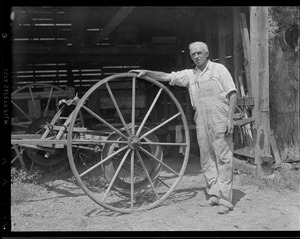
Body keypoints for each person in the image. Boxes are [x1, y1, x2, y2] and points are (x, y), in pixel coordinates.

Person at [130, 41, 238, 214]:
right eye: (193, 54)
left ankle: (225, 200)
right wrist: (146, 73)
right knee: (206, 157)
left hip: (220, 116)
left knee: (223, 157)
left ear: (207, 53)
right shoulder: (190, 75)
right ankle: (214, 195)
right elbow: (167, 77)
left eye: (199, 53)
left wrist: (230, 119)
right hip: (201, 117)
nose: (196, 56)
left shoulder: (219, 70)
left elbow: (233, 94)